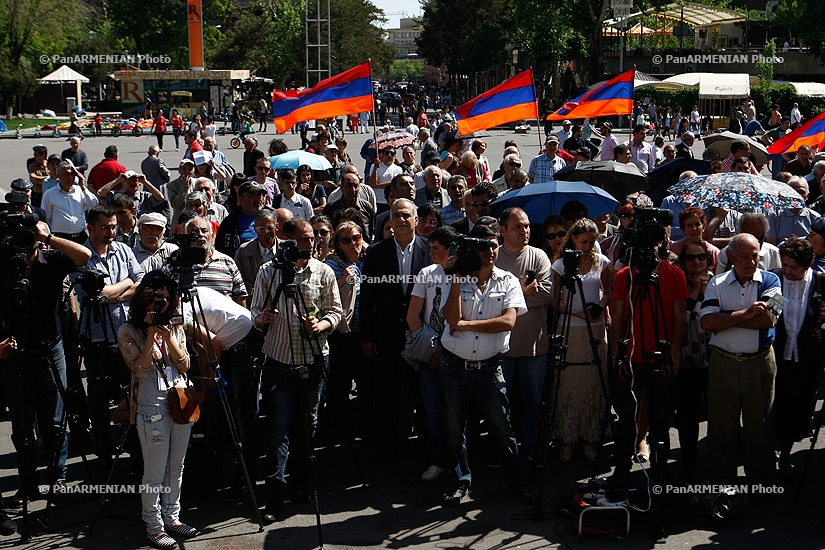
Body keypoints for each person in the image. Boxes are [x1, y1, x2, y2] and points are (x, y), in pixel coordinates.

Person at [251, 218, 342, 523]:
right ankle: (276, 493)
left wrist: (322, 324)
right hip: (278, 361)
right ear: (287, 241)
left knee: (308, 423)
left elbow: (336, 312)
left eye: (313, 238)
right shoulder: (268, 271)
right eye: (304, 239)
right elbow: (253, 314)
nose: (311, 243)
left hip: (313, 359)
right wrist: (262, 318)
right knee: (278, 427)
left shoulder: (324, 271)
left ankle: (303, 482)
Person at [439, 223, 535, 506]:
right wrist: (457, 276)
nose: (490, 251)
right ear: (473, 249)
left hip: (490, 368)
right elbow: (449, 316)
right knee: (454, 430)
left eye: (494, 245)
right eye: (484, 246)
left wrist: (465, 324)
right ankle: (460, 482)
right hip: (454, 366)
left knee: (502, 429)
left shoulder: (508, 281)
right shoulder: (458, 277)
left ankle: (516, 484)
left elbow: (508, 322)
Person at [0, 220, 90, 506]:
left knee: (54, 421)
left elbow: (83, 256)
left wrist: (49, 237)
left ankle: (57, 477)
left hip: (51, 349)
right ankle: (27, 485)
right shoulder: (4, 262)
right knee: (22, 426)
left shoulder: (49, 258)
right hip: (16, 352)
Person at [117, 273, 199, 548]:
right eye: (154, 302)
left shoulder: (175, 325)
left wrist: (169, 337)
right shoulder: (128, 331)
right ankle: (153, 525)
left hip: (180, 402)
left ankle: (172, 518)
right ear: (143, 303)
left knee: (177, 467)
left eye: (164, 301)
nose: (160, 307)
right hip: (151, 407)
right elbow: (139, 371)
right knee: (154, 471)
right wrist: (151, 337)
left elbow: (185, 365)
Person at [608, 219, 687, 498]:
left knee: (661, 418)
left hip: (661, 356)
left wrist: (674, 352)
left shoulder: (675, 275)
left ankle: (660, 471)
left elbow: (680, 318)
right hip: (631, 356)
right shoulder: (624, 276)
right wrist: (618, 354)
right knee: (626, 419)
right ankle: (620, 470)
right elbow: (617, 317)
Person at [700, 233, 781, 485]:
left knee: (761, 427)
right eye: (744, 256)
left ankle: (761, 482)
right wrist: (747, 314)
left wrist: (727, 319)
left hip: (760, 363)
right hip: (724, 363)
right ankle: (723, 484)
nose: (751, 261)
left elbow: (771, 319)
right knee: (722, 426)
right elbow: (706, 322)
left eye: (755, 255)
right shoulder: (717, 282)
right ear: (731, 257)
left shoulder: (773, 280)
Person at [359, 199, 432, 467]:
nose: (401, 220)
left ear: (416, 219)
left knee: (423, 397)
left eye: (406, 216)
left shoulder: (429, 250)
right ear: (389, 220)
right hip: (386, 337)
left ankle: (426, 453)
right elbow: (367, 298)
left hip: (421, 336)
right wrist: (367, 335)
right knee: (386, 396)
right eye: (396, 216)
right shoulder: (377, 252)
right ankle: (386, 452)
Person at [76, 205, 145, 462]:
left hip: (127, 336)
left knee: (132, 393)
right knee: (99, 397)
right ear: (90, 227)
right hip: (97, 338)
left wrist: (120, 289)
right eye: (105, 227)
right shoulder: (81, 256)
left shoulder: (124, 249)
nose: (111, 232)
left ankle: (134, 447)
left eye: (114, 226)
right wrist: (125, 285)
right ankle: (103, 451)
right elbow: (94, 296)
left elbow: (140, 284)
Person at [551, 219, 611, 461]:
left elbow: (609, 293)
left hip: (594, 330)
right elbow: (555, 302)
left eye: (592, 242)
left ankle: (589, 437)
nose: (587, 247)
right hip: (570, 329)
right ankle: (567, 439)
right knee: (568, 383)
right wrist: (577, 312)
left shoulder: (603, 262)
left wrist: (599, 308)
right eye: (584, 241)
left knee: (592, 383)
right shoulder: (559, 266)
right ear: (573, 239)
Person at [496, 208, 554, 461]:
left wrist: (510, 296)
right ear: (503, 230)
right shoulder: (493, 257)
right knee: (500, 406)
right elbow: (486, 299)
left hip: (534, 347)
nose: (525, 231)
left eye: (527, 226)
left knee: (534, 403)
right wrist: (521, 294)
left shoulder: (539, 256)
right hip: (501, 347)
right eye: (518, 226)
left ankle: (531, 451)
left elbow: (546, 294)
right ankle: (504, 453)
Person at [772, 237, 821, 471]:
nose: (788, 271)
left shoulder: (820, 283)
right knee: (772, 406)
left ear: (807, 265)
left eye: (794, 268)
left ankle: (787, 454)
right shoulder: (774, 279)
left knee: (798, 406)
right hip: (776, 356)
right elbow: (770, 314)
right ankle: (768, 454)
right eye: (785, 265)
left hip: (806, 359)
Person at [323, 221, 369, 441]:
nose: (352, 243)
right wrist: (343, 280)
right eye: (346, 240)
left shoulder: (367, 261)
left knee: (365, 382)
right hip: (342, 334)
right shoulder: (333, 265)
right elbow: (327, 296)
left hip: (365, 330)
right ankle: (339, 431)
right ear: (338, 244)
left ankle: (362, 429)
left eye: (356, 238)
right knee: (340, 385)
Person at [676, 240, 712, 478]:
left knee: (719, 414)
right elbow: (679, 318)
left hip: (714, 360)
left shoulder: (719, 283)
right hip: (685, 361)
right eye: (691, 258)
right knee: (687, 417)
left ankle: (717, 463)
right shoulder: (678, 284)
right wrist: (694, 293)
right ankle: (689, 463)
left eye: (701, 257)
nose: (696, 262)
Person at [186, 217, 247, 306]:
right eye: (194, 232)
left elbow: (240, 297)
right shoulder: (178, 263)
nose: (200, 234)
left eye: (204, 231)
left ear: (212, 235)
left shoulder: (228, 262)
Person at [41, 160, 99, 243]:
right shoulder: (49, 194)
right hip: (60, 238)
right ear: (59, 175)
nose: (70, 177)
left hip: (80, 237)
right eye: (67, 174)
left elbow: (94, 205)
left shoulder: (80, 191)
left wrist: (83, 187)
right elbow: (46, 218)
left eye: (72, 174)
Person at [234, 207, 279, 304]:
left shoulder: (286, 251)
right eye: (260, 228)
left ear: (277, 227)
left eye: (269, 228)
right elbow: (237, 284)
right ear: (254, 228)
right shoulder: (244, 251)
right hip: (254, 304)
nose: (265, 232)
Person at [216, 181, 267, 259]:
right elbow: (221, 250)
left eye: (260, 195)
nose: (258, 199)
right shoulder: (229, 223)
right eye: (252, 195)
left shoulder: (271, 218)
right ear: (241, 199)